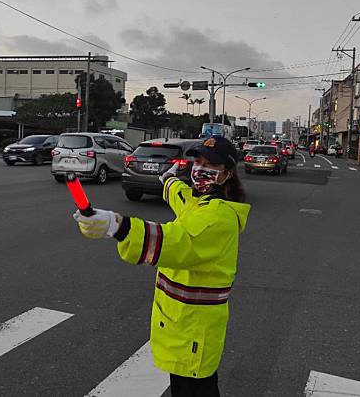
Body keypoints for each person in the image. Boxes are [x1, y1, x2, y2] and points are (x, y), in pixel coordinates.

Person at [73, 137, 251, 396]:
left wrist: (118, 226)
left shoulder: (218, 217)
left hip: (194, 331)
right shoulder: (199, 201)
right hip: (182, 325)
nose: (200, 168)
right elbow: (182, 197)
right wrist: (167, 179)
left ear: (227, 173)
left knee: (195, 390)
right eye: (197, 161)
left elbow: (177, 242)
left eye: (210, 164)